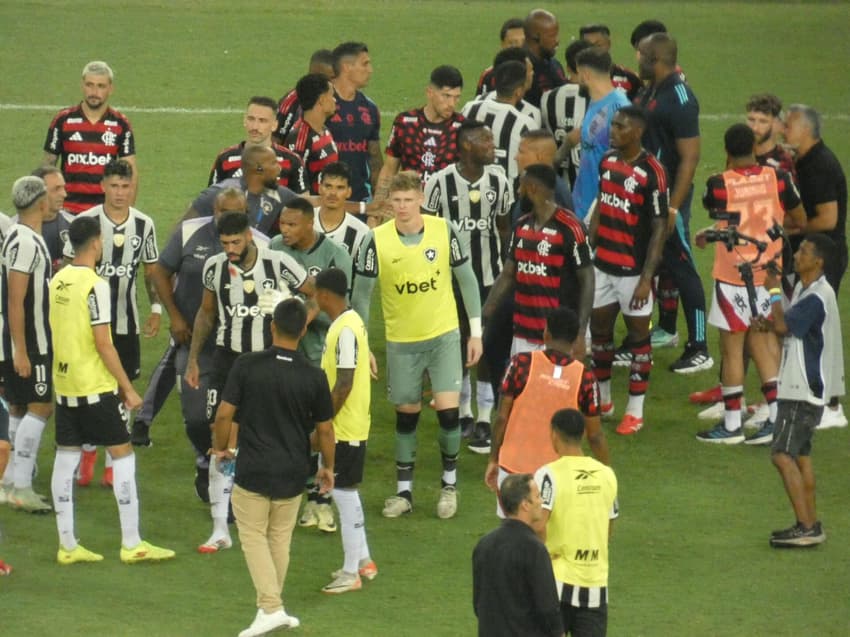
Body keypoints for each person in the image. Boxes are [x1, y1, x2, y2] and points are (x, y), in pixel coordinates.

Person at [351, 171, 483, 519]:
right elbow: (361, 297)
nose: (403, 207)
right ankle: (404, 493)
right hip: (401, 342)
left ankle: (448, 486)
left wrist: (476, 333)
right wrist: (363, 346)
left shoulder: (444, 231)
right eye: (396, 202)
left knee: (448, 411)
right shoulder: (375, 240)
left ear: (421, 199)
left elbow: (467, 280)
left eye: (408, 200)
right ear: (389, 203)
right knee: (406, 417)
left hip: (443, 336)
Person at [48, 215, 174, 565]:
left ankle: (68, 546)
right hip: (94, 385)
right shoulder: (96, 285)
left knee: (66, 457)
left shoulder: (57, 280)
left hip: (64, 384)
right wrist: (126, 387)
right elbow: (104, 342)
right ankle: (132, 543)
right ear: (95, 243)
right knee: (122, 454)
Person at [185, 211, 312, 553]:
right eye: (224, 243)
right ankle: (219, 528)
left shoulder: (278, 262)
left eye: (235, 242)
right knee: (218, 434)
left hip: (268, 362)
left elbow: (315, 296)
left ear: (249, 237)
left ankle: (270, 512)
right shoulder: (214, 267)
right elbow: (207, 312)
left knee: (266, 435)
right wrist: (195, 358)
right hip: (228, 360)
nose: (229, 249)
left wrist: (293, 308)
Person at [211, 299, 334, 635]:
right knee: (280, 539)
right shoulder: (314, 375)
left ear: (272, 327)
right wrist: (328, 467)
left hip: (254, 468)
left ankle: (271, 608)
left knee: (253, 536)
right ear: (304, 330)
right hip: (294, 471)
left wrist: (221, 447)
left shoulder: (247, 365)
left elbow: (224, 414)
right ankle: (271, 609)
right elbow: (325, 430)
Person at [140, 191, 269, 492]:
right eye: (223, 210)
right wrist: (174, 316)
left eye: (235, 211)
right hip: (196, 342)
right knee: (197, 418)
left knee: (241, 420)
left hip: (241, 348)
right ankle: (204, 460)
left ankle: (232, 480)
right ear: (214, 208)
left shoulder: (262, 244)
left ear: (246, 213)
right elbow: (160, 272)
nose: (227, 217)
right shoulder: (190, 232)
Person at [694, 124, 806, 445]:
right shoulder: (780, 179)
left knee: (732, 350)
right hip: (767, 275)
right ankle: (775, 419)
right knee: (762, 345)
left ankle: (731, 426)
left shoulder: (719, 184)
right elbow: (798, 219)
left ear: (727, 152)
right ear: (756, 147)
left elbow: (724, 216)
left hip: (733, 277)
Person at [68, 159, 161, 487]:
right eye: (115, 186)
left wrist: (156, 309)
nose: (121, 193)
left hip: (125, 323)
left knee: (124, 388)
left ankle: (112, 459)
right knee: (88, 385)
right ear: (103, 186)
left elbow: (151, 271)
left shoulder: (144, 224)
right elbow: (69, 268)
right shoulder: (85, 222)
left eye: (126, 186)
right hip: (87, 324)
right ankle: (89, 451)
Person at [424, 121, 513, 450]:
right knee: (459, 344)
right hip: (449, 282)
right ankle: (463, 411)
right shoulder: (439, 182)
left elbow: (503, 228)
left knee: (485, 344)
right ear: (465, 146)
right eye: (485, 140)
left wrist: (506, 270)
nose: (492, 145)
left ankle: (485, 418)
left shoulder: (499, 181)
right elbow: (427, 230)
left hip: (489, 278)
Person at [757, 235, 844, 547]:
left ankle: (805, 526)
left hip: (800, 389)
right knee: (802, 456)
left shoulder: (815, 296)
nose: (797, 255)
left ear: (818, 261)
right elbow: (788, 326)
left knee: (782, 454)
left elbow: (785, 327)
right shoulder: (814, 292)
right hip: (809, 389)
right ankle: (811, 522)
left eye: (804, 251)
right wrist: (768, 323)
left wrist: (773, 291)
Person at [272, 196, 351, 533]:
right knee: (295, 429)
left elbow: (341, 304)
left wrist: (300, 318)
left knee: (324, 427)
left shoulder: (336, 254)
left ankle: (324, 500)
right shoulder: (274, 248)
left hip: (322, 353)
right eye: (282, 224)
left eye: (292, 225)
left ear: (309, 224)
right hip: (287, 355)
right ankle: (307, 500)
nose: (285, 231)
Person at [588, 106, 669, 436]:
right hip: (602, 265)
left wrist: (647, 278)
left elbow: (660, 226)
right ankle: (604, 399)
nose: (613, 130)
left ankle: (635, 411)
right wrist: (587, 248)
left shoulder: (653, 171)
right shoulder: (607, 161)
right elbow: (602, 204)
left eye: (620, 126)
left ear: (637, 132)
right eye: (614, 125)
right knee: (601, 332)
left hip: (633, 272)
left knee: (638, 338)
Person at [636, 33, 712, 373]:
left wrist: (672, 207)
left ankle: (699, 347)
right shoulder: (654, 88)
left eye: (641, 54)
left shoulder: (680, 98)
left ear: (655, 58)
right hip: (647, 196)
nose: (636, 58)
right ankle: (640, 339)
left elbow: (690, 158)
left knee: (683, 269)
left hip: (668, 201)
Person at [486, 307, 608, 507]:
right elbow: (595, 436)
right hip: (557, 475)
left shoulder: (521, 363)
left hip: (513, 468)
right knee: (548, 534)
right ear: (577, 339)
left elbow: (501, 418)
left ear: (546, 333)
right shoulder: (585, 378)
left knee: (511, 533)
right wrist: (605, 473)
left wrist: (493, 458)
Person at [781, 104, 847, 429]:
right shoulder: (804, 160)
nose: (783, 130)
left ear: (806, 129)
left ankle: (833, 407)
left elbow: (828, 219)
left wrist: (789, 228)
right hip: (813, 256)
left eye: (788, 125)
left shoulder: (819, 164)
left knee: (820, 330)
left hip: (825, 258)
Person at [484, 164, 593, 359]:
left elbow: (587, 279)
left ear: (532, 188)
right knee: (522, 388)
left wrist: (581, 332)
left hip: (557, 335)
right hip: (522, 331)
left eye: (521, 186)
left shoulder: (570, 227)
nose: (518, 191)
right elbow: (508, 274)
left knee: (555, 388)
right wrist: (485, 313)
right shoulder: (521, 226)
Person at [315, 268, 378, 594]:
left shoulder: (347, 330)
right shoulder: (347, 323)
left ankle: (351, 572)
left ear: (325, 294)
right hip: (347, 424)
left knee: (344, 492)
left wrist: (324, 421)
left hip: (345, 426)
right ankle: (364, 561)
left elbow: (344, 382)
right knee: (343, 491)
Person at [535, 408, 618, 637]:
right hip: (595, 584)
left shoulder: (548, 475)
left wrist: (541, 557)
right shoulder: (607, 474)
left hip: (556, 584)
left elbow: (539, 524)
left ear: (553, 434)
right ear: (582, 435)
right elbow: (610, 525)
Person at [1, 177, 53, 513]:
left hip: (26, 340)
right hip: (31, 342)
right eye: (53, 194)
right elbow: (15, 299)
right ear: (40, 203)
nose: (56, 199)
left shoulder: (23, 236)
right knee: (42, 405)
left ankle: (8, 482)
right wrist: (21, 349)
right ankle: (21, 485)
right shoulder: (24, 241)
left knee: (20, 407)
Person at [472, 473, 563, 637]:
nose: (541, 502)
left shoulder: (483, 545)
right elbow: (548, 607)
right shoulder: (534, 549)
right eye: (537, 496)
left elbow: (478, 604)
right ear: (525, 505)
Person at [43, 61, 137, 214]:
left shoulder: (120, 124)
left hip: (104, 212)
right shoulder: (62, 120)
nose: (94, 92)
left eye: (101, 86)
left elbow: (130, 172)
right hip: (67, 210)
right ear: (82, 85)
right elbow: (47, 169)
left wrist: (127, 213)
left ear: (110, 89)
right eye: (90, 85)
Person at [372, 65, 465, 216]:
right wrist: (375, 214)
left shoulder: (462, 128)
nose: (452, 104)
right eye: (446, 96)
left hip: (446, 215)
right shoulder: (405, 123)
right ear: (430, 92)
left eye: (457, 97)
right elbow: (389, 169)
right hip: (408, 212)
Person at [568, 48, 631, 221]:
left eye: (578, 74)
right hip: (582, 204)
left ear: (586, 74)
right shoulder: (595, 101)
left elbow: (626, 163)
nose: (574, 79)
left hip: (600, 210)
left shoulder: (619, 108)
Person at [185, 145, 298, 237]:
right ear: (258, 168)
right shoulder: (220, 193)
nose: (279, 168)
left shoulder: (279, 194)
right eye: (274, 163)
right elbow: (183, 228)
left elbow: (307, 205)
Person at [207, 96, 308, 194]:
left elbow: (303, 203)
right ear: (244, 121)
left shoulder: (292, 161)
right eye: (251, 119)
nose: (255, 127)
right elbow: (211, 199)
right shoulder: (225, 158)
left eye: (262, 121)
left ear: (274, 125)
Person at [461, 61, 538, 180]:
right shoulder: (525, 124)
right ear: (518, 91)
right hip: (507, 195)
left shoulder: (470, 108)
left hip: (467, 189)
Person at [328, 42, 382, 203]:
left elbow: (375, 158)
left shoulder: (370, 108)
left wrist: (377, 203)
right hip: (325, 197)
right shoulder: (322, 103)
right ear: (346, 67)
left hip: (360, 199)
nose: (370, 70)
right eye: (364, 64)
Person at [541, 40, 592, 189]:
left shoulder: (548, 98)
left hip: (559, 187)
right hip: (591, 189)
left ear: (568, 68)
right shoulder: (603, 99)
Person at [284, 74, 340, 195]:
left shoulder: (324, 130)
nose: (335, 100)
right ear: (321, 100)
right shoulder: (300, 138)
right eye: (332, 95)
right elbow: (295, 185)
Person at [275, 49, 336, 143]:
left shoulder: (339, 97)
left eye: (334, 78)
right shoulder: (292, 101)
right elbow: (276, 140)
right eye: (327, 79)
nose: (332, 83)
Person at [314, 162, 370, 258]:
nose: (333, 193)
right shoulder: (304, 220)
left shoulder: (362, 232)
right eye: (328, 186)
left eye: (340, 188)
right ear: (320, 188)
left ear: (349, 192)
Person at [579, 24, 642, 101]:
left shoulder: (630, 78)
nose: (593, 50)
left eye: (598, 45)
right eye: (588, 46)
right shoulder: (576, 80)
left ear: (609, 44)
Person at [29, 166, 73, 270]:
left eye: (63, 188)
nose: (64, 194)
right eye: (57, 189)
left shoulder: (74, 226)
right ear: (38, 193)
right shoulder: (12, 227)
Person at [523, 9, 567, 107]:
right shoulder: (520, 68)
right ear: (535, 37)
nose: (557, 41)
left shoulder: (555, 64)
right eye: (552, 36)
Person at [747, 94, 795, 177]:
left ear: (776, 125)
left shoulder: (782, 164)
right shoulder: (740, 154)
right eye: (751, 120)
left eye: (763, 122)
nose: (754, 128)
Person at [475, 17, 526, 96]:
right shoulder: (488, 76)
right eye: (512, 43)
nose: (519, 47)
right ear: (502, 45)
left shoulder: (538, 74)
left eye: (524, 43)